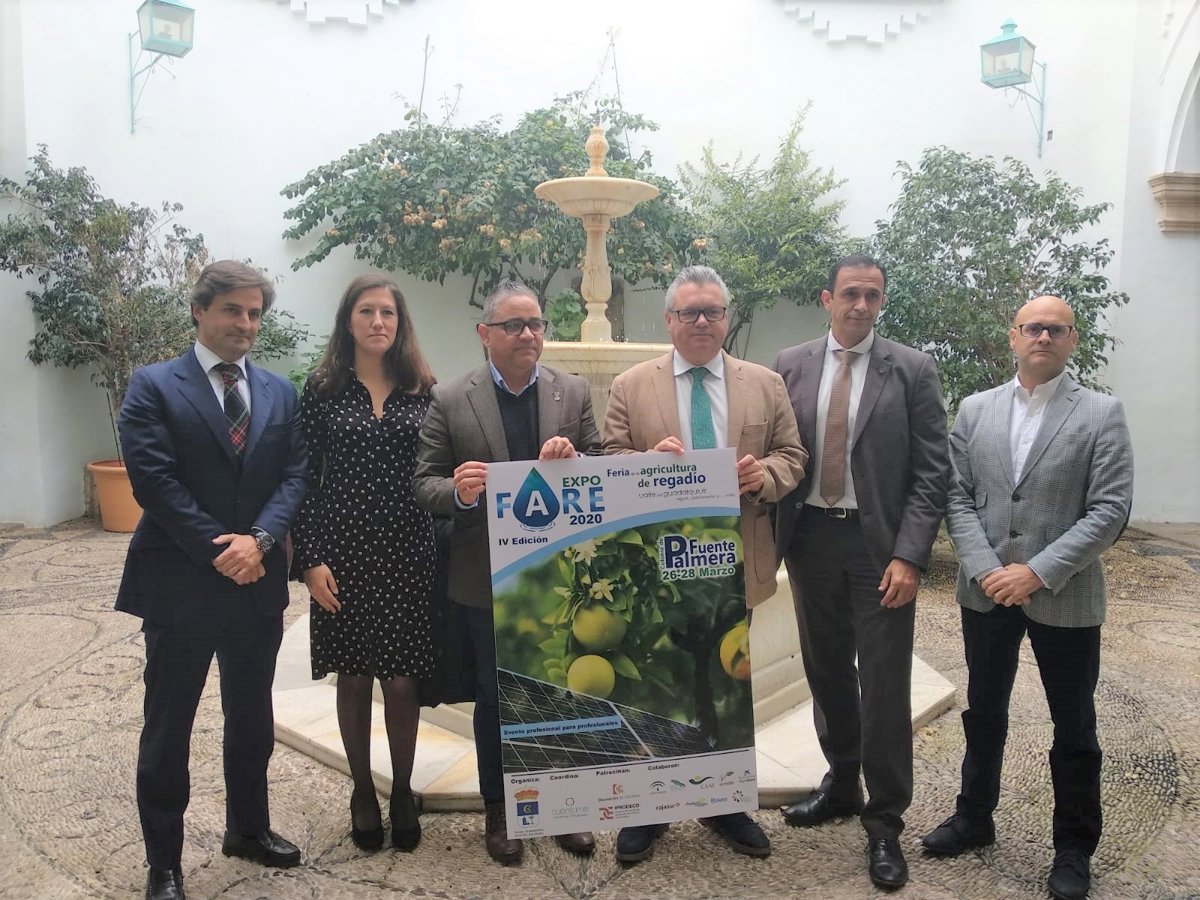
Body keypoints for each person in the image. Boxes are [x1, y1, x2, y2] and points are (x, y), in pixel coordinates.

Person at [921, 296, 1133, 900]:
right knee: (984, 710)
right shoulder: (975, 409)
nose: (1043, 336)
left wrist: (1036, 572)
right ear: (1014, 336)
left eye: (1055, 329)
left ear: (1071, 340)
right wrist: (988, 568)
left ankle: (1073, 847)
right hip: (986, 591)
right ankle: (973, 817)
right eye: (1032, 327)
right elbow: (956, 496)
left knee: (1075, 723)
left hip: (1065, 594)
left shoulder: (1102, 413)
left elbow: (1110, 510)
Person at [602, 265, 808, 864]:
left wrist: (762, 475)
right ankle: (649, 806)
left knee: (725, 685)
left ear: (725, 318)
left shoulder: (765, 384)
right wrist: (645, 462)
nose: (701, 321)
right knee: (659, 683)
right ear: (669, 320)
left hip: (733, 560)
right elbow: (608, 457)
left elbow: (793, 455)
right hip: (657, 566)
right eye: (689, 312)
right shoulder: (631, 385)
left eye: (711, 311)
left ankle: (722, 802)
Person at [116, 261, 308, 900]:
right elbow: (153, 480)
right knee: (169, 725)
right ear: (200, 310)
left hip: (257, 584)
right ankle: (164, 863)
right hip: (180, 584)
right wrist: (220, 549)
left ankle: (247, 829)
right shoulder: (153, 386)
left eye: (254, 313)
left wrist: (260, 542)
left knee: (251, 717)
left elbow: (295, 476)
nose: (245, 324)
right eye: (232, 310)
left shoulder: (279, 392)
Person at [773, 255, 950, 889]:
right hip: (810, 540)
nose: (862, 305)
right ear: (827, 299)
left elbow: (932, 472)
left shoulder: (912, 369)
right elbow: (773, 449)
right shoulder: (790, 365)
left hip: (880, 550)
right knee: (825, 670)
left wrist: (910, 554)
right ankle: (843, 783)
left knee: (884, 681)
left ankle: (884, 821)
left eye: (873, 295)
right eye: (851, 293)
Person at [412, 280, 599, 865]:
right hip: (485, 575)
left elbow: (603, 463)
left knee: (561, 691)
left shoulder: (573, 390)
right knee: (496, 699)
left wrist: (578, 461)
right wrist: (460, 491)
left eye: (536, 324)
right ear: (484, 333)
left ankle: (563, 804)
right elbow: (423, 484)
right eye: (514, 325)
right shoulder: (449, 398)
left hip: (561, 574)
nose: (527, 334)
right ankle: (502, 808)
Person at [291, 275, 438, 853]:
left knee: (401, 680)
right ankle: (361, 790)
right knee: (352, 676)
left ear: (401, 324)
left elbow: (439, 469)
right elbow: (303, 478)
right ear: (348, 320)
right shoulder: (323, 389)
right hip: (342, 554)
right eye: (367, 311)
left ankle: (401, 789)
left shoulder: (423, 389)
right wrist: (310, 559)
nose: (379, 322)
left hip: (407, 552)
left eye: (388, 313)